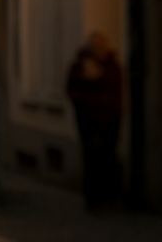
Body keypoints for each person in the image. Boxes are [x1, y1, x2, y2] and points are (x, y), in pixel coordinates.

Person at [67, 32, 123, 210]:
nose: (99, 49)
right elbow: (72, 89)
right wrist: (85, 102)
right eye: (96, 46)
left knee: (108, 156)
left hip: (109, 120)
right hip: (88, 119)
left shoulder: (112, 65)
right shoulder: (80, 66)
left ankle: (109, 196)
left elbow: (116, 90)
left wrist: (113, 109)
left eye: (102, 45)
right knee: (91, 156)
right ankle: (93, 198)